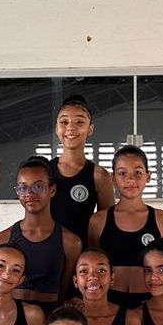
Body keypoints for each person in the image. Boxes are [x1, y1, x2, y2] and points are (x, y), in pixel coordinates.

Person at [88, 145, 163, 308]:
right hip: (109, 302)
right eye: (122, 173)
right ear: (113, 179)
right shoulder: (98, 221)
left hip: (149, 302)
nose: (130, 179)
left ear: (148, 176)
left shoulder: (161, 219)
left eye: (138, 173)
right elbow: (93, 264)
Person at [0, 156, 82, 304]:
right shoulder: (2, 239)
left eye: (38, 187)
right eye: (23, 188)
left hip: (51, 320)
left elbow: (65, 293)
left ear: (52, 190)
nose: (29, 193)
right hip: (12, 320)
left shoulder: (70, 242)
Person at [49, 95, 115, 246]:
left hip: (84, 260)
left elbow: (107, 226)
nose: (71, 128)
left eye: (79, 122)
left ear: (90, 129)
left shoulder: (99, 176)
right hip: (49, 254)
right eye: (64, 122)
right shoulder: (45, 172)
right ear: (56, 128)